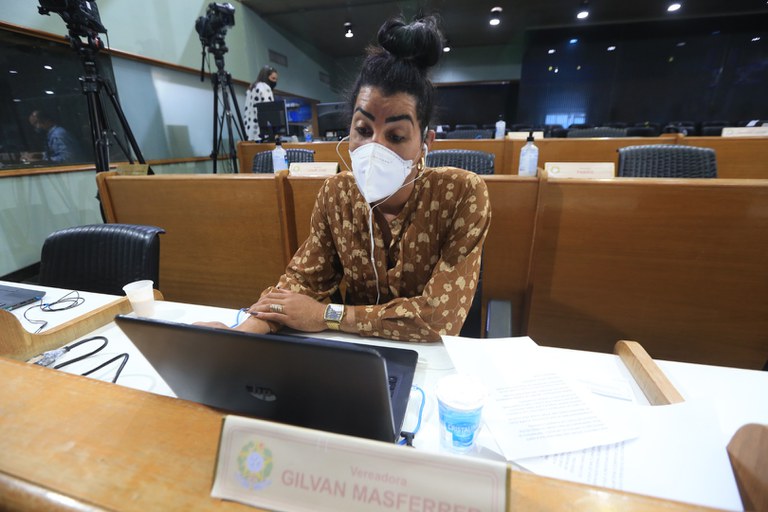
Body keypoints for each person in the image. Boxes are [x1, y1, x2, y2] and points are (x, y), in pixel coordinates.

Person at [201, 15, 491, 342]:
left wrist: (327, 315)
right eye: (363, 130)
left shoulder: (460, 194)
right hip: (356, 351)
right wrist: (243, 333)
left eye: (396, 136)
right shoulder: (338, 193)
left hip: (430, 357)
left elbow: (439, 319)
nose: (375, 148)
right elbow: (303, 281)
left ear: (426, 142)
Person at [243, 65, 278, 141]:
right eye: (273, 78)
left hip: (249, 132)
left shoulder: (251, 88)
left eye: (276, 79)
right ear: (266, 77)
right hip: (261, 133)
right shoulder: (265, 88)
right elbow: (269, 110)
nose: (275, 81)